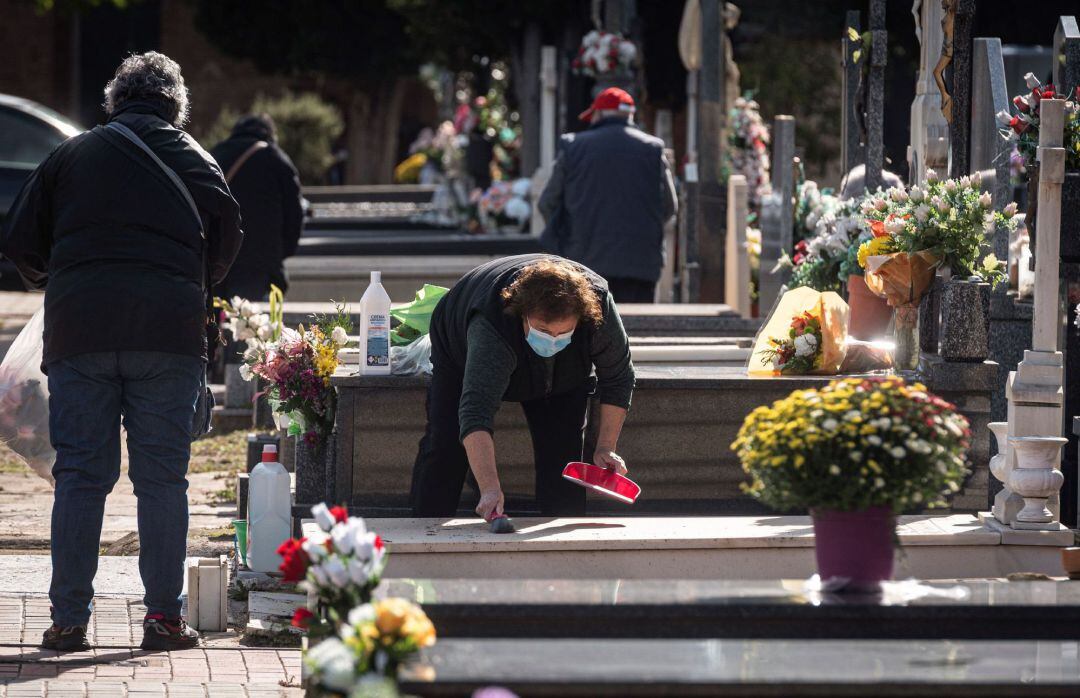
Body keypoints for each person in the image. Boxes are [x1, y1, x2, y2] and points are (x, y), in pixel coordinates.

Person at [0, 52, 243, 652]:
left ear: (116, 99)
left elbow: (20, 240)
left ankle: (68, 621)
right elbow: (229, 236)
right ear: (176, 106)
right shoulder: (195, 158)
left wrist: (66, 278)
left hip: (80, 333)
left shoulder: (69, 155)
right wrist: (190, 283)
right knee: (163, 479)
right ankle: (163, 618)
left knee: (80, 475)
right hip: (167, 335)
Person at [410, 254, 635, 518]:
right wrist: (490, 488)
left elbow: (619, 378)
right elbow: (475, 410)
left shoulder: (600, 313)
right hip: (459, 345)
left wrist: (605, 447)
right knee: (446, 444)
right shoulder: (493, 326)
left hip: (565, 374)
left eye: (563, 333)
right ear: (523, 315)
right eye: (542, 330)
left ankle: (563, 544)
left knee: (563, 455)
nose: (552, 340)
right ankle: (426, 527)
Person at [539, 87, 678, 303]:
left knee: (590, 331)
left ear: (599, 113)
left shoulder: (573, 146)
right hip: (640, 263)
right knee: (639, 331)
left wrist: (565, 242)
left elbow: (547, 202)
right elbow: (670, 206)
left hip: (584, 262)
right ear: (629, 115)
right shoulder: (653, 149)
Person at [210, 114, 303, 301]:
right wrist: (280, 254)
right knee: (254, 325)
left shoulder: (215, 155)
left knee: (218, 323)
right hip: (261, 263)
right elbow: (294, 215)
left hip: (219, 263)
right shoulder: (276, 158)